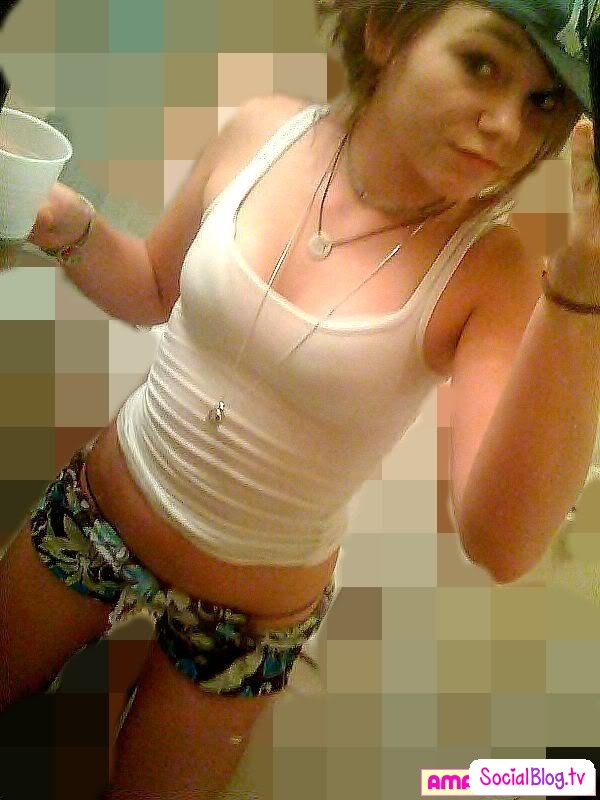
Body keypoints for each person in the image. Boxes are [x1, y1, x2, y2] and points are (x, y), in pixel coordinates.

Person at [1, 0, 600, 797]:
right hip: (97, 513)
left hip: (241, 628)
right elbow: (150, 288)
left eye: (543, 102)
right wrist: (67, 222)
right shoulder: (263, 130)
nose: (506, 124)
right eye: (481, 63)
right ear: (387, 31)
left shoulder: (490, 270)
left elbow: (501, 543)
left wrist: (583, 281)